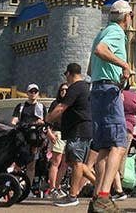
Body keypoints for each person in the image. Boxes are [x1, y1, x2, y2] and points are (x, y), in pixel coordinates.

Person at [86, 0, 134, 213]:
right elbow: (100, 50)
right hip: (108, 91)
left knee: (104, 147)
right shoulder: (116, 32)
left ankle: (97, 198)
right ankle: (105, 196)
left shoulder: (102, 31)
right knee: (119, 144)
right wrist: (123, 65)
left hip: (97, 89)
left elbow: (90, 67)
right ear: (126, 17)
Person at [46, 63, 97, 207]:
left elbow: (62, 107)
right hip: (81, 129)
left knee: (76, 162)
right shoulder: (86, 87)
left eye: (66, 75)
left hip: (79, 130)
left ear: (69, 73)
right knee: (78, 163)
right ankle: (102, 189)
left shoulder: (75, 88)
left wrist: (47, 119)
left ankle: (72, 196)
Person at [45, 82, 71, 198]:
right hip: (58, 133)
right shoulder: (56, 104)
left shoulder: (71, 104)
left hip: (68, 135)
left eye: (66, 90)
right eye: (62, 90)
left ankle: (57, 186)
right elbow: (47, 121)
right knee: (56, 161)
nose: (64, 92)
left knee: (65, 163)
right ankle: (52, 188)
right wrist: (49, 133)